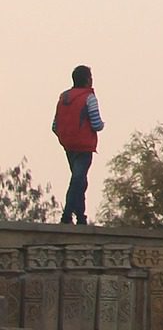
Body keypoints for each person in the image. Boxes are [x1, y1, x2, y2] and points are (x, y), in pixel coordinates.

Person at [52, 65, 105, 227]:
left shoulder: (63, 98)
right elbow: (96, 124)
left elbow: (55, 126)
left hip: (69, 146)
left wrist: (65, 137)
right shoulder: (89, 98)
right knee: (77, 180)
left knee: (79, 179)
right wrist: (102, 125)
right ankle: (67, 215)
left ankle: (81, 216)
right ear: (88, 79)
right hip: (84, 146)